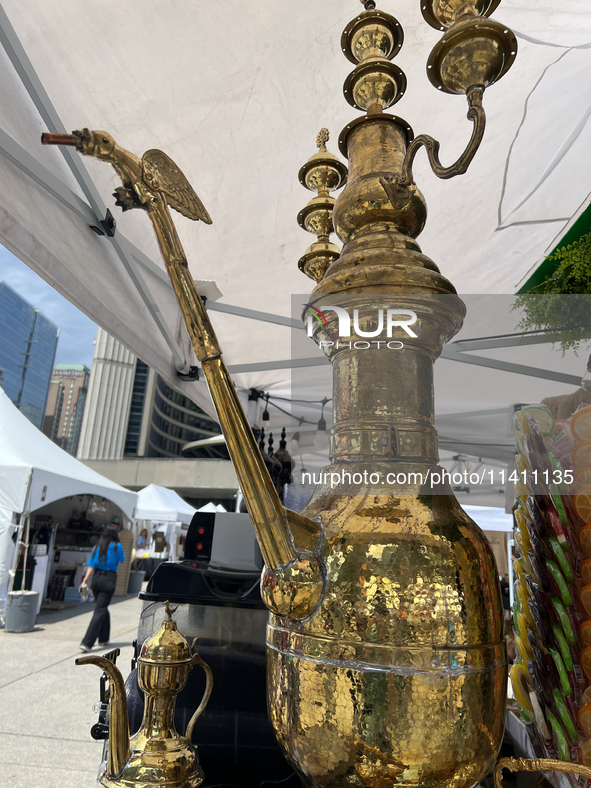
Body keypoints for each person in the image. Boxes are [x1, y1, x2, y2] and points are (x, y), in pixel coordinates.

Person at [79, 526, 125, 652]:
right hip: (109, 579)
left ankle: (104, 638)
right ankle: (87, 642)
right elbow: (122, 559)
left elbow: (91, 566)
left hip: (96, 579)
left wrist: (84, 581)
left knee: (102, 607)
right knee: (100, 610)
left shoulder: (97, 547)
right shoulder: (117, 546)